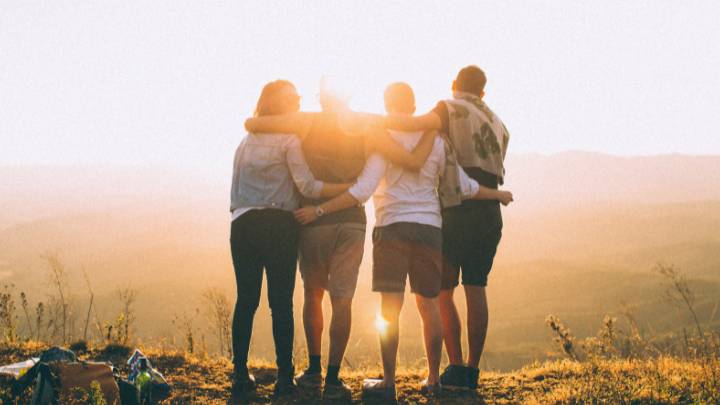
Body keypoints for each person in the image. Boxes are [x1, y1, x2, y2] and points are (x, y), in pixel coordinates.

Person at [295, 82, 513, 402]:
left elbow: (363, 190)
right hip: (429, 229)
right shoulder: (437, 141)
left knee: (390, 310)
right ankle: (434, 379)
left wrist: (320, 209)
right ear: (413, 107)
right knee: (429, 305)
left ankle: (389, 383)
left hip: (392, 228)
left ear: (386, 104)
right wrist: (497, 194)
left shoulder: (383, 138)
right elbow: (463, 185)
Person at [243, 82, 436, 401]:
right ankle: (334, 377)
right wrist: (432, 123)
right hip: (352, 221)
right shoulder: (365, 122)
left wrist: (251, 122)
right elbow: (407, 132)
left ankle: (314, 369)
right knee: (342, 299)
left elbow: (256, 124)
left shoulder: (306, 121)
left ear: (321, 98)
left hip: (314, 220)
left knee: (313, 294)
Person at [383, 65, 511, 391]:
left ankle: (453, 367)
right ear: (483, 92)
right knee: (477, 287)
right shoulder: (499, 124)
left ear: (455, 84)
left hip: (457, 208)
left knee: (443, 290)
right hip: (489, 210)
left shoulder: (448, 108)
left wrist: (372, 124)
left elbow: (414, 124)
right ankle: (472, 369)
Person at [228, 80, 350, 403]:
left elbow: (235, 192)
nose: (298, 102)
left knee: (246, 300)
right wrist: (345, 189)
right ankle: (284, 379)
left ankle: (240, 376)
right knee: (280, 303)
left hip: (242, 225)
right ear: (279, 105)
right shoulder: (289, 140)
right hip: (279, 225)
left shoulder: (245, 141)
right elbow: (307, 186)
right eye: (292, 99)